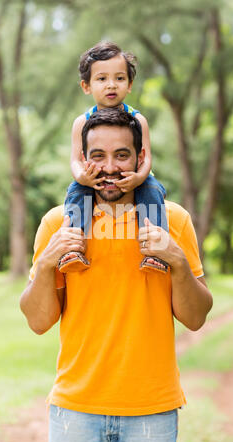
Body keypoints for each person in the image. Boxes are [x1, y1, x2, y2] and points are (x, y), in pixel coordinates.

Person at [20, 108, 213, 442]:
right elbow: (37, 322)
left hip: (152, 411)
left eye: (121, 155)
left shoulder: (173, 221)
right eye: (98, 156)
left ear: (141, 158)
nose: (109, 167)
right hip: (75, 410)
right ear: (82, 159)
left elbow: (196, 318)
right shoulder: (58, 224)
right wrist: (49, 261)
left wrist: (178, 262)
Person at [59, 41, 169, 275]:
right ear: (86, 86)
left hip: (135, 176)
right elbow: (75, 160)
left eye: (119, 78)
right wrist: (83, 177)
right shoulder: (81, 122)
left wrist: (139, 177)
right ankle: (73, 247)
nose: (111, 85)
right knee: (76, 191)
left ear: (129, 85)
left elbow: (146, 157)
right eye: (102, 79)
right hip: (94, 177)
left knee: (153, 190)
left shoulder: (138, 120)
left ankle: (156, 249)